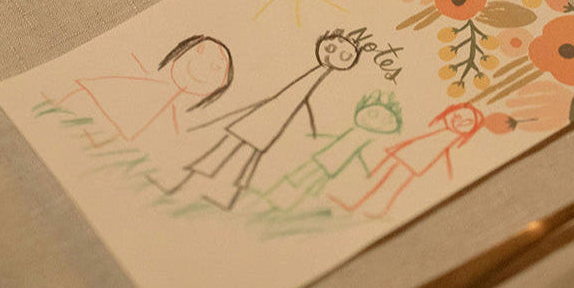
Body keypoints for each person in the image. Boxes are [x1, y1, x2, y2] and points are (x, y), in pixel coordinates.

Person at [148, 29, 363, 210]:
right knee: (227, 154)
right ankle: (198, 189)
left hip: (269, 125)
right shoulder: (307, 73)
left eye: (344, 56)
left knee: (236, 158)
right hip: (263, 120)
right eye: (332, 47)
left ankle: (212, 193)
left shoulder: (316, 79)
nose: (333, 55)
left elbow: (299, 101)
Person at [48, 34, 233, 144]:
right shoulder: (125, 84)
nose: (216, 67)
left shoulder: (170, 124)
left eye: (220, 67)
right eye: (202, 50)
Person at [331, 102, 484, 218]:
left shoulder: (448, 138)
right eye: (457, 116)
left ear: (471, 129)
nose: (459, 122)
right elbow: (416, 140)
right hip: (404, 154)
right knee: (376, 176)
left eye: (467, 122)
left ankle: (375, 208)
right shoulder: (436, 128)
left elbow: (440, 154)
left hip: (415, 162)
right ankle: (353, 200)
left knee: (392, 183)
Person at [263, 90, 403, 212]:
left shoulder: (366, 138)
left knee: (310, 183)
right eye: (373, 114)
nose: (377, 122)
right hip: (325, 160)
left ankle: (285, 203)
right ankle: (276, 197)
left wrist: (364, 166)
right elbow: (341, 143)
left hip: (333, 166)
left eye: (387, 120)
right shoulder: (355, 132)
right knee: (301, 177)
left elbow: (357, 153)